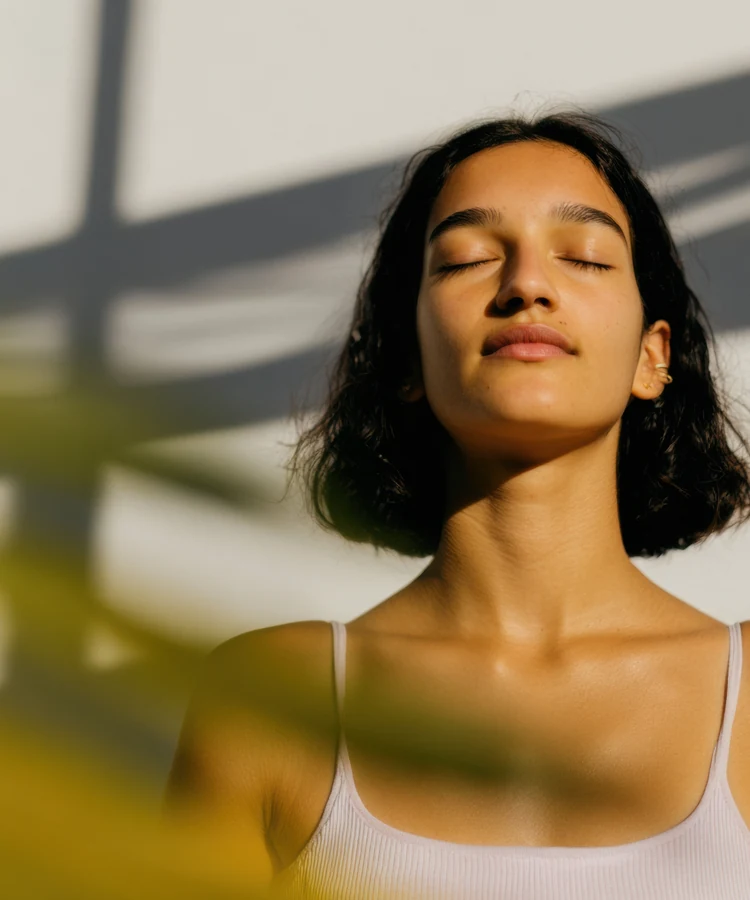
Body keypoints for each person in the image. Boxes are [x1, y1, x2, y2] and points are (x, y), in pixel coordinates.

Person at [163, 110, 750, 899]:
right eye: (468, 259)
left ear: (653, 357)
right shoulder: (272, 698)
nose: (526, 287)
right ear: (406, 357)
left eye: (582, 257)